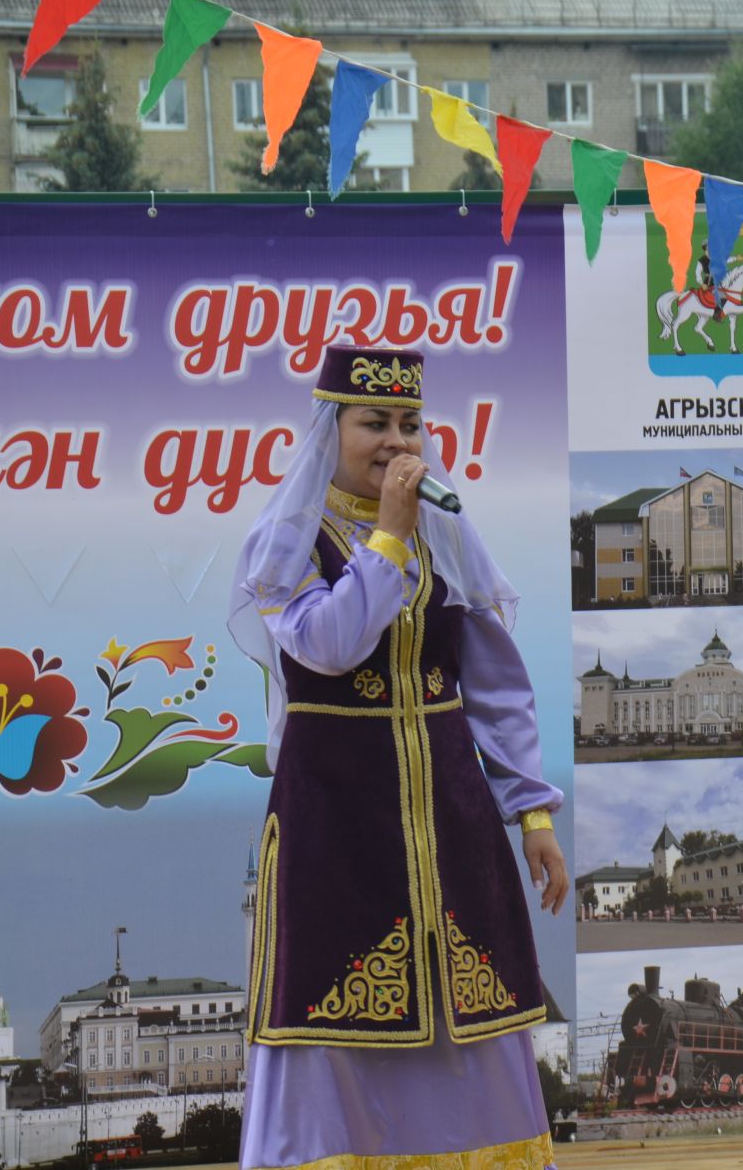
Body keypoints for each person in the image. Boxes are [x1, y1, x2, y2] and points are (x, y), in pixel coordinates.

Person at [228, 345, 564, 1170]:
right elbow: (331, 645)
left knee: (470, 1014)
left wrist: (534, 815)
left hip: (450, 821)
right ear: (329, 430)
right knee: (331, 1018)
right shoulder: (286, 540)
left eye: (409, 423)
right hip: (334, 821)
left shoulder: (444, 532)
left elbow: (495, 688)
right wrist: (387, 537)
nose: (394, 440)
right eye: (372, 422)